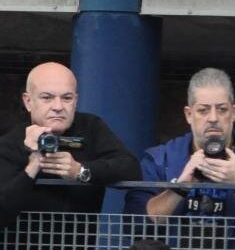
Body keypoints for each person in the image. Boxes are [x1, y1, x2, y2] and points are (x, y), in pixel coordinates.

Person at [124, 68, 235, 248]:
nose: (213, 118)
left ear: (233, 113)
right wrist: (180, 187)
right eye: (203, 110)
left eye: (222, 109)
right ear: (189, 114)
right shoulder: (160, 159)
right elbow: (135, 225)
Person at [0, 62, 141, 230]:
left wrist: (80, 171)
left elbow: (131, 168)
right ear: (28, 101)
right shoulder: (11, 142)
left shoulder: (90, 127)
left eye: (66, 98)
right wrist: (32, 165)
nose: (58, 107)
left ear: (76, 100)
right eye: (47, 98)